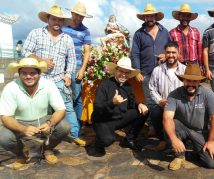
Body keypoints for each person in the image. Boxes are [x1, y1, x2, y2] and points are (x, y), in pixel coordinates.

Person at [21, 5, 78, 145]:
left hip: (59, 78)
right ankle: (43, 138)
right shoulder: (35, 33)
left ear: (63, 22)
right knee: (42, 110)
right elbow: (25, 52)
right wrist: (41, 60)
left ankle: (75, 135)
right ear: (48, 19)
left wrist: (68, 75)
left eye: (60, 20)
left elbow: (72, 59)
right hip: (40, 79)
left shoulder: (67, 39)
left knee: (67, 107)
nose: (57, 22)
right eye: (54, 19)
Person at [0, 58, 70, 169]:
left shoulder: (48, 85)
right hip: (19, 122)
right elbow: (5, 117)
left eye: (32, 73)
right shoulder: (11, 88)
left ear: (39, 73)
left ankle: (47, 149)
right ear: (19, 74)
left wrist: (50, 123)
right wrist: (23, 129)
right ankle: (21, 153)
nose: (28, 76)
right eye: (24, 73)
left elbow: (61, 109)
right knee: (3, 137)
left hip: (42, 119)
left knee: (64, 126)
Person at [163, 64, 214, 170]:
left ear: (199, 82)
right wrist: (173, 139)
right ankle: (179, 156)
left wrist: (211, 140)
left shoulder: (208, 94)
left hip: (201, 132)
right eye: (188, 80)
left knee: (211, 164)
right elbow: (167, 118)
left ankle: (190, 149)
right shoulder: (174, 94)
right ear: (183, 80)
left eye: (194, 81)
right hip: (182, 128)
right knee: (172, 123)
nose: (191, 84)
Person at [89, 57, 149, 157]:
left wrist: (140, 104)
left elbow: (132, 102)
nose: (124, 75)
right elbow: (97, 109)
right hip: (102, 120)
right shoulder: (104, 85)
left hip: (119, 118)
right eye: (121, 71)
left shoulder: (128, 86)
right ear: (116, 70)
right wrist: (112, 102)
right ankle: (98, 143)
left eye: (127, 72)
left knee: (145, 111)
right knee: (108, 140)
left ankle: (129, 139)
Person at [62, 1, 92, 146]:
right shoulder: (62, 26)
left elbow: (87, 51)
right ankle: (61, 128)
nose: (79, 18)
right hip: (61, 65)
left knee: (77, 97)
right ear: (72, 13)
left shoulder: (85, 31)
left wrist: (82, 69)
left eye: (82, 16)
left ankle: (77, 130)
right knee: (59, 97)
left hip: (77, 66)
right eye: (78, 15)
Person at [131, 3, 171, 109]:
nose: (150, 18)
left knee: (164, 96)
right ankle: (152, 123)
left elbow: (172, 49)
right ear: (144, 18)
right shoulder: (138, 34)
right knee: (149, 99)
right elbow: (134, 53)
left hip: (163, 71)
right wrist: (137, 71)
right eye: (147, 16)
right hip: (146, 72)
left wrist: (166, 56)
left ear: (156, 17)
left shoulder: (165, 32)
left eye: (152, 16)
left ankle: (164, 121)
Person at [149, 41, 186, 151]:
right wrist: (159, 100)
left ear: (178, 54)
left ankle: (182, 138)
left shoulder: (185, 70)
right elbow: (152, 88)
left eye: (173, 52)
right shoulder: (157, 70)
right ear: (165, 54)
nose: (171, 55)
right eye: (168, 52)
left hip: (181, 105)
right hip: (163, 104)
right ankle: (163, 139)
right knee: (154, 113)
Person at [170, 4, 202, 68]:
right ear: (179, 17)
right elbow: (170, 51)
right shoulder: (172, 33)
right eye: (183, 16)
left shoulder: (196, 31)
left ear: (190, 18)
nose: (185, 18)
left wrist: (201, 66)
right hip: (178, 65)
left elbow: (200, 50)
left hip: (194, 65)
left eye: (188, 16)